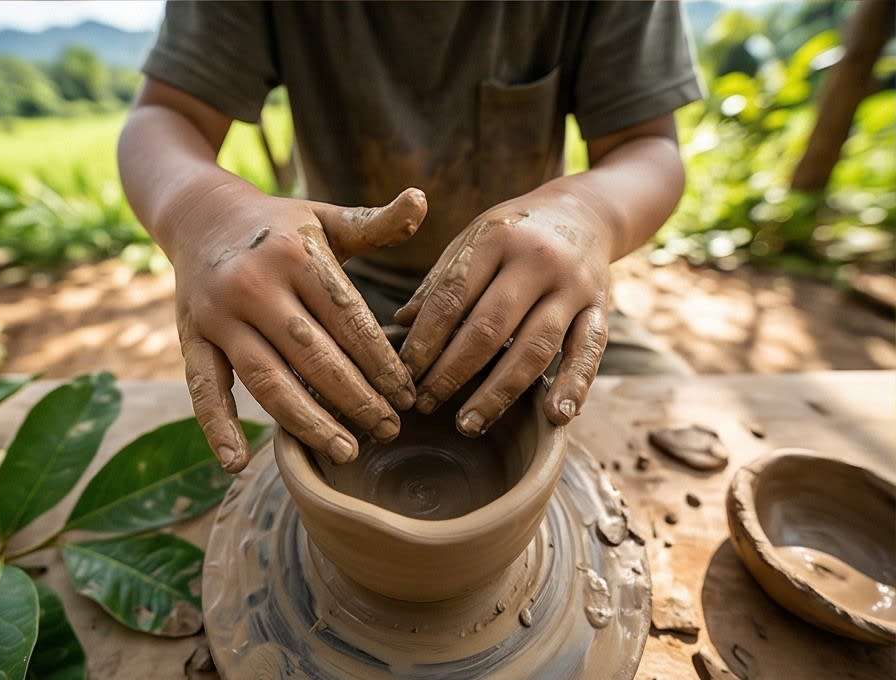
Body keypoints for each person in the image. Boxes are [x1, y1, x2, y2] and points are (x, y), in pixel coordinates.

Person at [118, 1, 703, 473]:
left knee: (675, 435)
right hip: (335, 296)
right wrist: (203, 214)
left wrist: (587, 214)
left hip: (534, 292)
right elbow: (165, 117)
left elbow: (648, 146)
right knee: (219, 470)